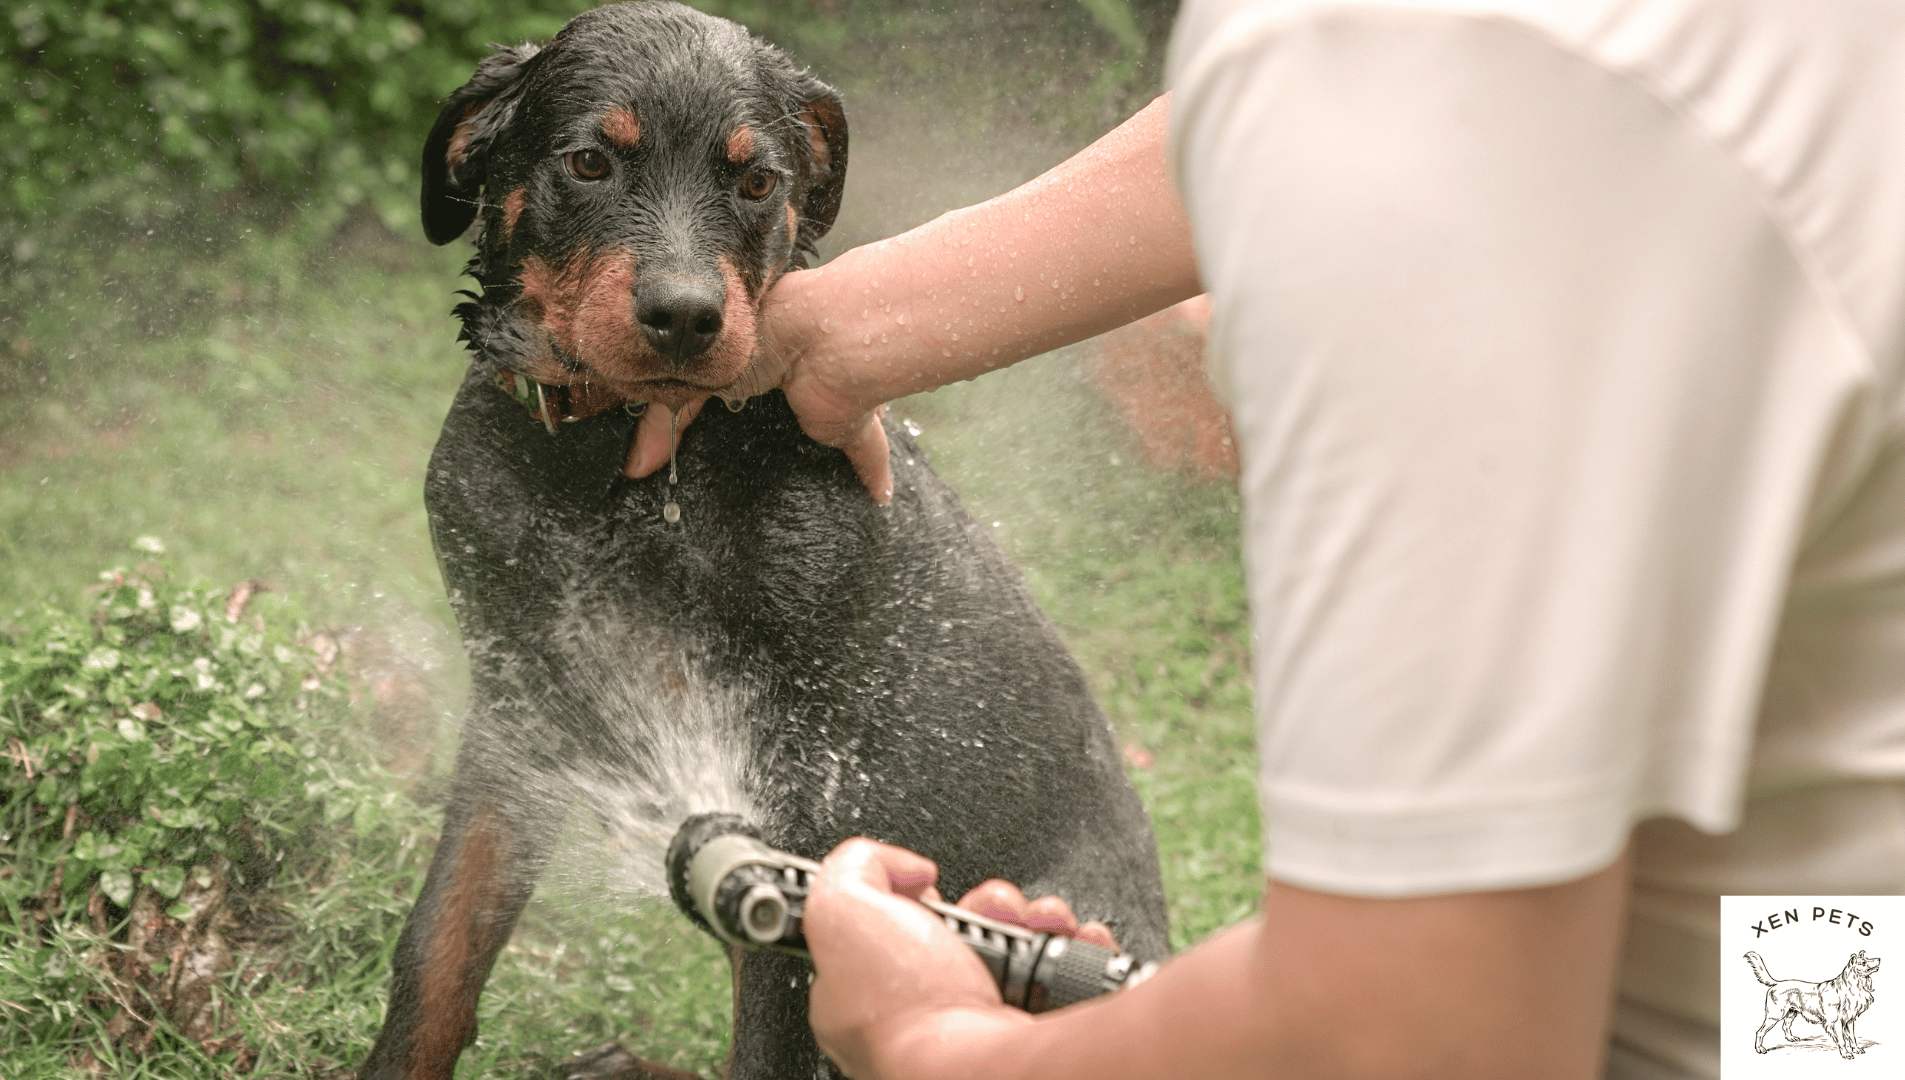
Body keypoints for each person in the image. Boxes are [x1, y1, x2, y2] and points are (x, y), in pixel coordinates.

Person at [628, 1, 1905, 1076]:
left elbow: (1421, 1033)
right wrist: (852, 330)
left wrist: (949, 1043)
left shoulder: (1459, 100)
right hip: (1834, 995)